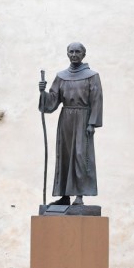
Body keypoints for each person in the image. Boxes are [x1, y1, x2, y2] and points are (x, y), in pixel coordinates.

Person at [39, 42, 103, 206]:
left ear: (83, 54)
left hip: (83, 119)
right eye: (71, 51)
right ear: (67, 54)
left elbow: (97, 100)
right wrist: (43, 92)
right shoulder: (61, 76)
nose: (74, 54)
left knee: (81, 156)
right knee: (64, 155)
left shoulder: (92, 76)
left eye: (77, 52)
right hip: (66, 120)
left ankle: (80, 195)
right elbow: (52, 101)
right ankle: (65, 195)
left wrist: (92, 123)